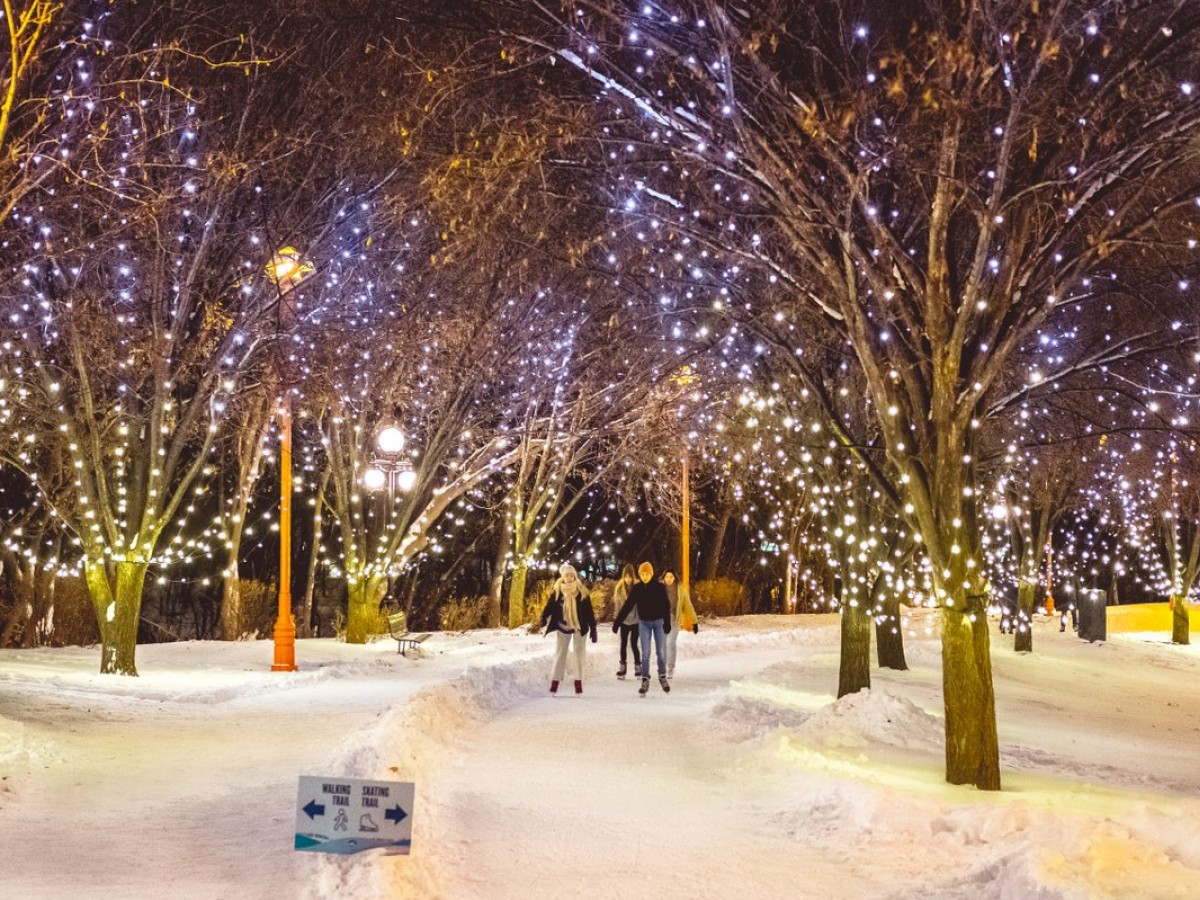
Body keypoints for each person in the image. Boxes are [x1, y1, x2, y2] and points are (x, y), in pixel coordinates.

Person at [538, 563, 597, 694]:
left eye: (572, 575)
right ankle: (555, 682)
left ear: (575, 576)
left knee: (579, 655)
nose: (569, 577)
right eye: (566, 575)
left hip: (579, 627)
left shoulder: (582, 591)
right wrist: (543, 618)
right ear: (563, 576)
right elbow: (549, 607)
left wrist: (593, 628)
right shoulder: (557, 591)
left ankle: (578, 682)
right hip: (562, 626)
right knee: (560, 654)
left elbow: (589, 611)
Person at [614, 561, 671, 696]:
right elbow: (628, 605)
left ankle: (662, 676)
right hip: (644, 623)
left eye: (647, 574)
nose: (645, 576)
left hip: (658, 623)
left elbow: (666, 605)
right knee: (645, 653)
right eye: (642, 574)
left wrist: (667, 622)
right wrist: (617, 622)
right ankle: (645, 679)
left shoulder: (659, 587)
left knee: (660, 652)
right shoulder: (637, 588)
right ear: (640, 575)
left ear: (651, 574)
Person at [661, 569, 699, 678]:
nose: (669, 579)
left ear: (675, 578)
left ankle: (670, 668)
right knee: (663, 644)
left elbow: (688, 606)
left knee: (671, 643)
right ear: (663, 578)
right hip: (662, 621)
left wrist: (694, 622)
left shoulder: (681, 590)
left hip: (675, 620)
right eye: (667, 577)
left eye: (671, 577)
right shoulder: (659, 589)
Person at [610, 563, 641, 679]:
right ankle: (622, 669)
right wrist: (616, 622)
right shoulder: (619, 589)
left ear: (633, 577)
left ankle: (638, 667)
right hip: (624, 622)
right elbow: (617, 607)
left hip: (636, 621)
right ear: (623, 577)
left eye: (630, 577)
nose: (628, 579)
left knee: (634, 644)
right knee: (623, 644)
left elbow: (641, 606)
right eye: (626, 577)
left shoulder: (638, 588)